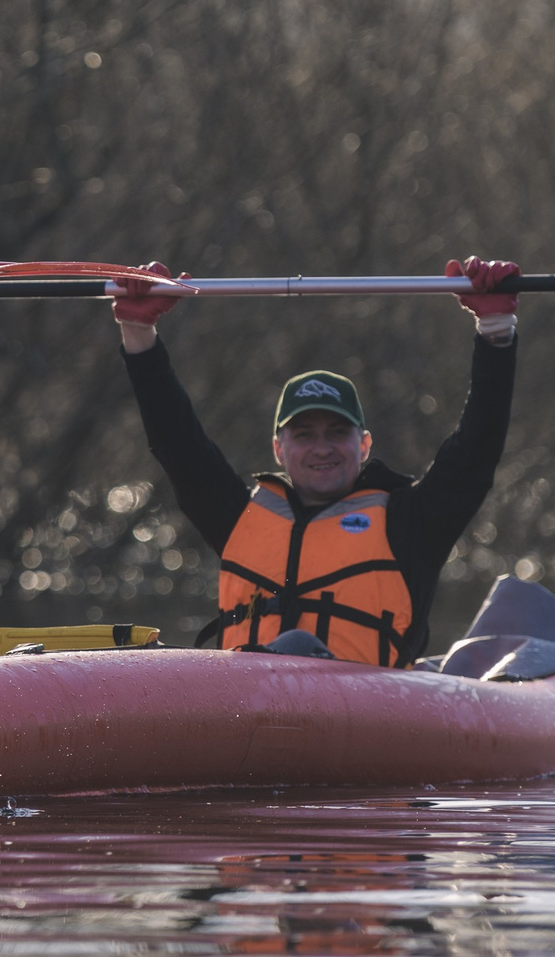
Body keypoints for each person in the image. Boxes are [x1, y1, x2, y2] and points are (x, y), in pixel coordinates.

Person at [110, 256, 522, 665]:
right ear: (279, 450)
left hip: (369, 715)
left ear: (364, 446)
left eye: (337, 433)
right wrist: (138, 331)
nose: (321, 447)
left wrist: (495, 329)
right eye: (304, 435)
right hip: (250, 712)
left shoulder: (410, 522)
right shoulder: (237, 519)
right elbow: (177, 442)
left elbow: (475, 452)